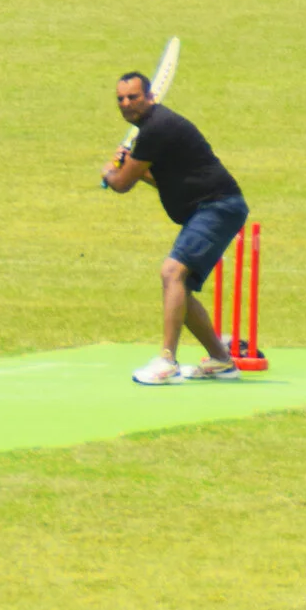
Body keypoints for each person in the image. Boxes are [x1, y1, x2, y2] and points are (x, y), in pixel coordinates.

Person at [103, 74, 249, 386]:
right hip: (211, 209)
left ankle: (167, 360)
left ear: (150, 97)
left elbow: (121, 184)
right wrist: (132, 167)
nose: (126, 104)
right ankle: (221, 360)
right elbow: (165, 181)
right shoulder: (154, 130)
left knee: (172, 273)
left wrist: (111, 171)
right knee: (177, 286)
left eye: (133, 97)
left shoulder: (156, 128)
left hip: (218, 207)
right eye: (121, 99)